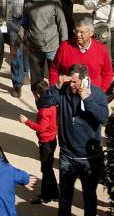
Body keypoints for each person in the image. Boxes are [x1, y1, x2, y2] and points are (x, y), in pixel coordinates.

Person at [40, 63, 109, 216]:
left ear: (84, 81)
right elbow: (43, 103)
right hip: (67, 155)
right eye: (69, 81)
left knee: (89, 198)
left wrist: (87, 99)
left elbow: (103, 118)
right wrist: (56, 87)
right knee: (65, 198)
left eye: (74, 82)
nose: (71, 84)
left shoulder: (97, 95)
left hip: (89, 158)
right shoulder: (63, 92)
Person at [23, 0, 68, 86]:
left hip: (52, 46)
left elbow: (62, 23)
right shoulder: (27, 1)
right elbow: (25, 23)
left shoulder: (54, 1)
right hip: (35, 47)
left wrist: (64, 44)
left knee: (55, 81)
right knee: (37, 83)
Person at [18, 79, 59, 205]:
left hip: (46, 141)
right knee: (48, 168)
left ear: (38, 94)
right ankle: (54, 192)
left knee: (46, 169)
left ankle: (46, 195)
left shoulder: (44, 109)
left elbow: (41, 127)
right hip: (52, 139)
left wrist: (26, 121)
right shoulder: (51, 102)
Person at [49, 15, 113, 93]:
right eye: (76, 31)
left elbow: (108, 73)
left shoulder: (101, 49)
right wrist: (55, 89)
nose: (78, 35)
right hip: (68, 94)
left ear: (91, 33)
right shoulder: (64, 47)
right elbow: (54, 70)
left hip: (92, 95)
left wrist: (101, 93)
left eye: (82, 32)